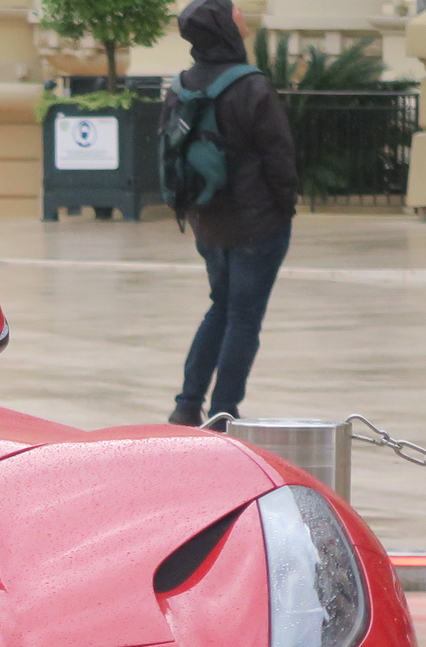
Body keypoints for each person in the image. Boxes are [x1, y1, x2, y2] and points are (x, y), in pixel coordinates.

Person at [166, 0, 298, 429]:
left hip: (209, 219)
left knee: (219, 308)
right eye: (235, 13)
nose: (242, 17)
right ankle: (224, 411)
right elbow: (278, 154)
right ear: (225, 27)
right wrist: (285, 206)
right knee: (243, 317)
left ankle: (187, 404)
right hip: (257, 222)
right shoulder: (251, 86)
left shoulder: (182, 84)